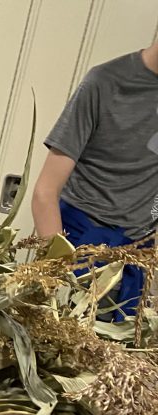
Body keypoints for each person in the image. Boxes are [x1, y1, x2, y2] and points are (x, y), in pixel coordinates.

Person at [31, 41, 158, 320]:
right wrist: (61, 280)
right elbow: (44, 193)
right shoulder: (106, 82)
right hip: (82, 246)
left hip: (138, 256)